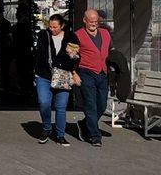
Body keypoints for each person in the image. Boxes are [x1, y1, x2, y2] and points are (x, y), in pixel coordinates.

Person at [34, 14, 81, 146]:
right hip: (44, 75)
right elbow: (39, 53)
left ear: (62, 26)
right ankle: (47, 128)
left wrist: (72, 57)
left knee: (61, 107)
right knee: (44, 102)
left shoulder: (71, 37)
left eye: (55, 27)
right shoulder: (44, 35)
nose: (52, 29)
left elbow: (76, 57)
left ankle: (60, 135)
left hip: (63, 75)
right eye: (50, 26)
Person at [74, 9, 112, 147]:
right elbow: (72, 57)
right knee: (90, 104)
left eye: (96, 21)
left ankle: (84, 123)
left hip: (102, 73)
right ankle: (95, 136)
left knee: (101, 105)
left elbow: (110, 50)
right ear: (85, 20)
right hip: (86, 72)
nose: (94, 24)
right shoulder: (77, 35)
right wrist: (74, 73)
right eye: (91, 21)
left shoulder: (106, 33)